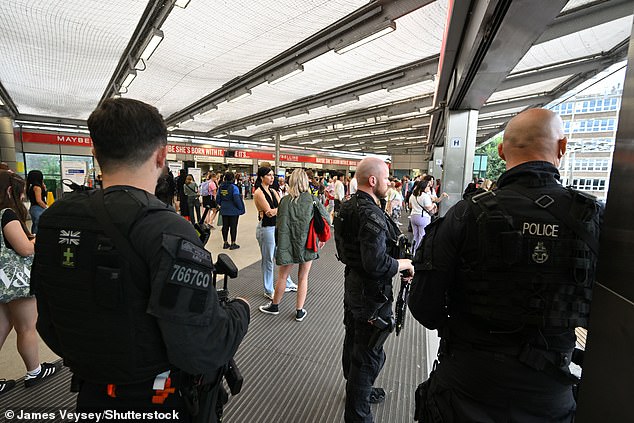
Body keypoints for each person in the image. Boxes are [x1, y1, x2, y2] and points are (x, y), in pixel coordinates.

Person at [31, 98, 250, 420]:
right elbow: (200, 347)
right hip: (159, 397)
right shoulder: (168, 230)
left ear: (95, 152)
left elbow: (48, 319)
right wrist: (240, 311)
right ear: (161, 155)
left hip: (92, 390)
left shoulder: (54, 220)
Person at [409, 108, 603, 422]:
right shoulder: (593, 218)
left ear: (501, 151)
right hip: (550, 394)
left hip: (467, 388)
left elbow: (423, 305)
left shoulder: (465, 215)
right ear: (563, 147)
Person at [334, 157, 414, 422]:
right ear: (372, 180)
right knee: (368, 354)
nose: (389, 182)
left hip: (353, 285)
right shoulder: (370, 213)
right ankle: (358, 413)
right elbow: (376, 262)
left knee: (355, 340)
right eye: (386, 178)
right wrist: (404, 263)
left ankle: (357, 389)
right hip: (371, 293)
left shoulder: (347, 206)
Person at [0, 171, 60, 395]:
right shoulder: (6, 214)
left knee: (1, 328)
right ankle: (34, 372)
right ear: (9, 191)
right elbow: (24, 249)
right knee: (26, 327)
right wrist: (39, 241)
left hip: (1, 281)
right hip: (15, 282)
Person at [259, 169, 330, 322]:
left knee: (282, 276)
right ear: (305, 182)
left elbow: (279, 224)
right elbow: (327, 220)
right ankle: (299, 311)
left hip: (287, 243)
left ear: (291, 181)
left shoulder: (284, 201)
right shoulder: (312, 200)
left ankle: (275, 306)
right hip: (307, 244)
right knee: (303, 277)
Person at [253, 166, 297, 300]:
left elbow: (278, 209)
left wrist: (278, 209)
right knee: (268, 260)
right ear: (261, 177)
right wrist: (280, 209)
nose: (272, 178)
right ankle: (268, 289)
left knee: (282, 256)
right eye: (269, 175)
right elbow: (270, 213)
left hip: (276, 227)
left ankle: (287, 282)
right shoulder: (258, 193)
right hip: (266, 228)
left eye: (273, 175)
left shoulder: (273, 191)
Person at [217, 171, 245, 250]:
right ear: (233, 178)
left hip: (224, 209)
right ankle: (233, 243)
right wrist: (240, 207)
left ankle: (225, 243)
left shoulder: (221, 187)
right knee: (233, 227)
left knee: (225, 227)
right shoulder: (234, 187)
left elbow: (218, 198)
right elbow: (236, 198)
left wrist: (222, 204)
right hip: (233, 210)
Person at [408, 180, 434, 251]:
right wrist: (433, 205)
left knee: (415, 236)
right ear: (424, 187)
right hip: (423, 217)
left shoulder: (413, 195)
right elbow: (428, 208)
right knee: (422, 237)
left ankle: (412, 251)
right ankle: (418, 254)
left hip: (413, 216)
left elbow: (410, 206)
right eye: (428, 186)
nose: (429, 188)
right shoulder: (425, 196)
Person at [26, 170, 47, 234]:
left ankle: (34, 237)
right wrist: (46, 207)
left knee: (35, 224)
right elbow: (39, 200)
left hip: (33, 208)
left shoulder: (31, 186)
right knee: (38, 225)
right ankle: (37, 239)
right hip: (38, 208)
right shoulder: (37, 187)